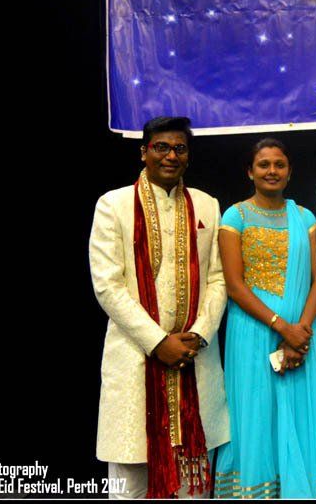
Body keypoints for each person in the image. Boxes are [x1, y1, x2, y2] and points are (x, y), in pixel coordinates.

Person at [89, 116, 229, 499]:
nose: (171, 156)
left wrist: (198, 335)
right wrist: (157, 341)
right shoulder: (113, 205)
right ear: (144, 152)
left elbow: (219, 278)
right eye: (161, 147)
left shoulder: (207, 205)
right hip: (135, 360)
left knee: (193, 482)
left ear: (188, 156)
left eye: (179, 148)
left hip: (193, 359)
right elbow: (107, 285)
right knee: (128, 481)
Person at [213, 138, 316, 499]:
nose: (272, 171)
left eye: (279, 165)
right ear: (250, 171)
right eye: (264, 165)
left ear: (289, 171)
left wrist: (299, 331)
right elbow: (236, 287)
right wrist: (282, 327)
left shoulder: (305, 217)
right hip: (254, 332)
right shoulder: (234, 217)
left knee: (305, 417)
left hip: (304, 333)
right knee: (256, 419)